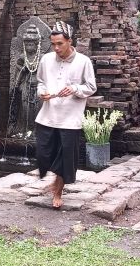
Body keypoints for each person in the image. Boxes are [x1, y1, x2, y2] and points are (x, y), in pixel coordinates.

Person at [35, 20, 97, 209]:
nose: (56, 48)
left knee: (64, 159)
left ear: (70, 41)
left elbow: (91, 87)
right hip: (47, 116)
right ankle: (53, 182)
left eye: (59, 43)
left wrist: (74, 88)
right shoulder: (46, 60)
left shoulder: (83, 61)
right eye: (53, 44)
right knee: (43, 154)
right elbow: (40, 82)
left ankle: (58, 191)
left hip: (70, 119)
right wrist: (41, 93)